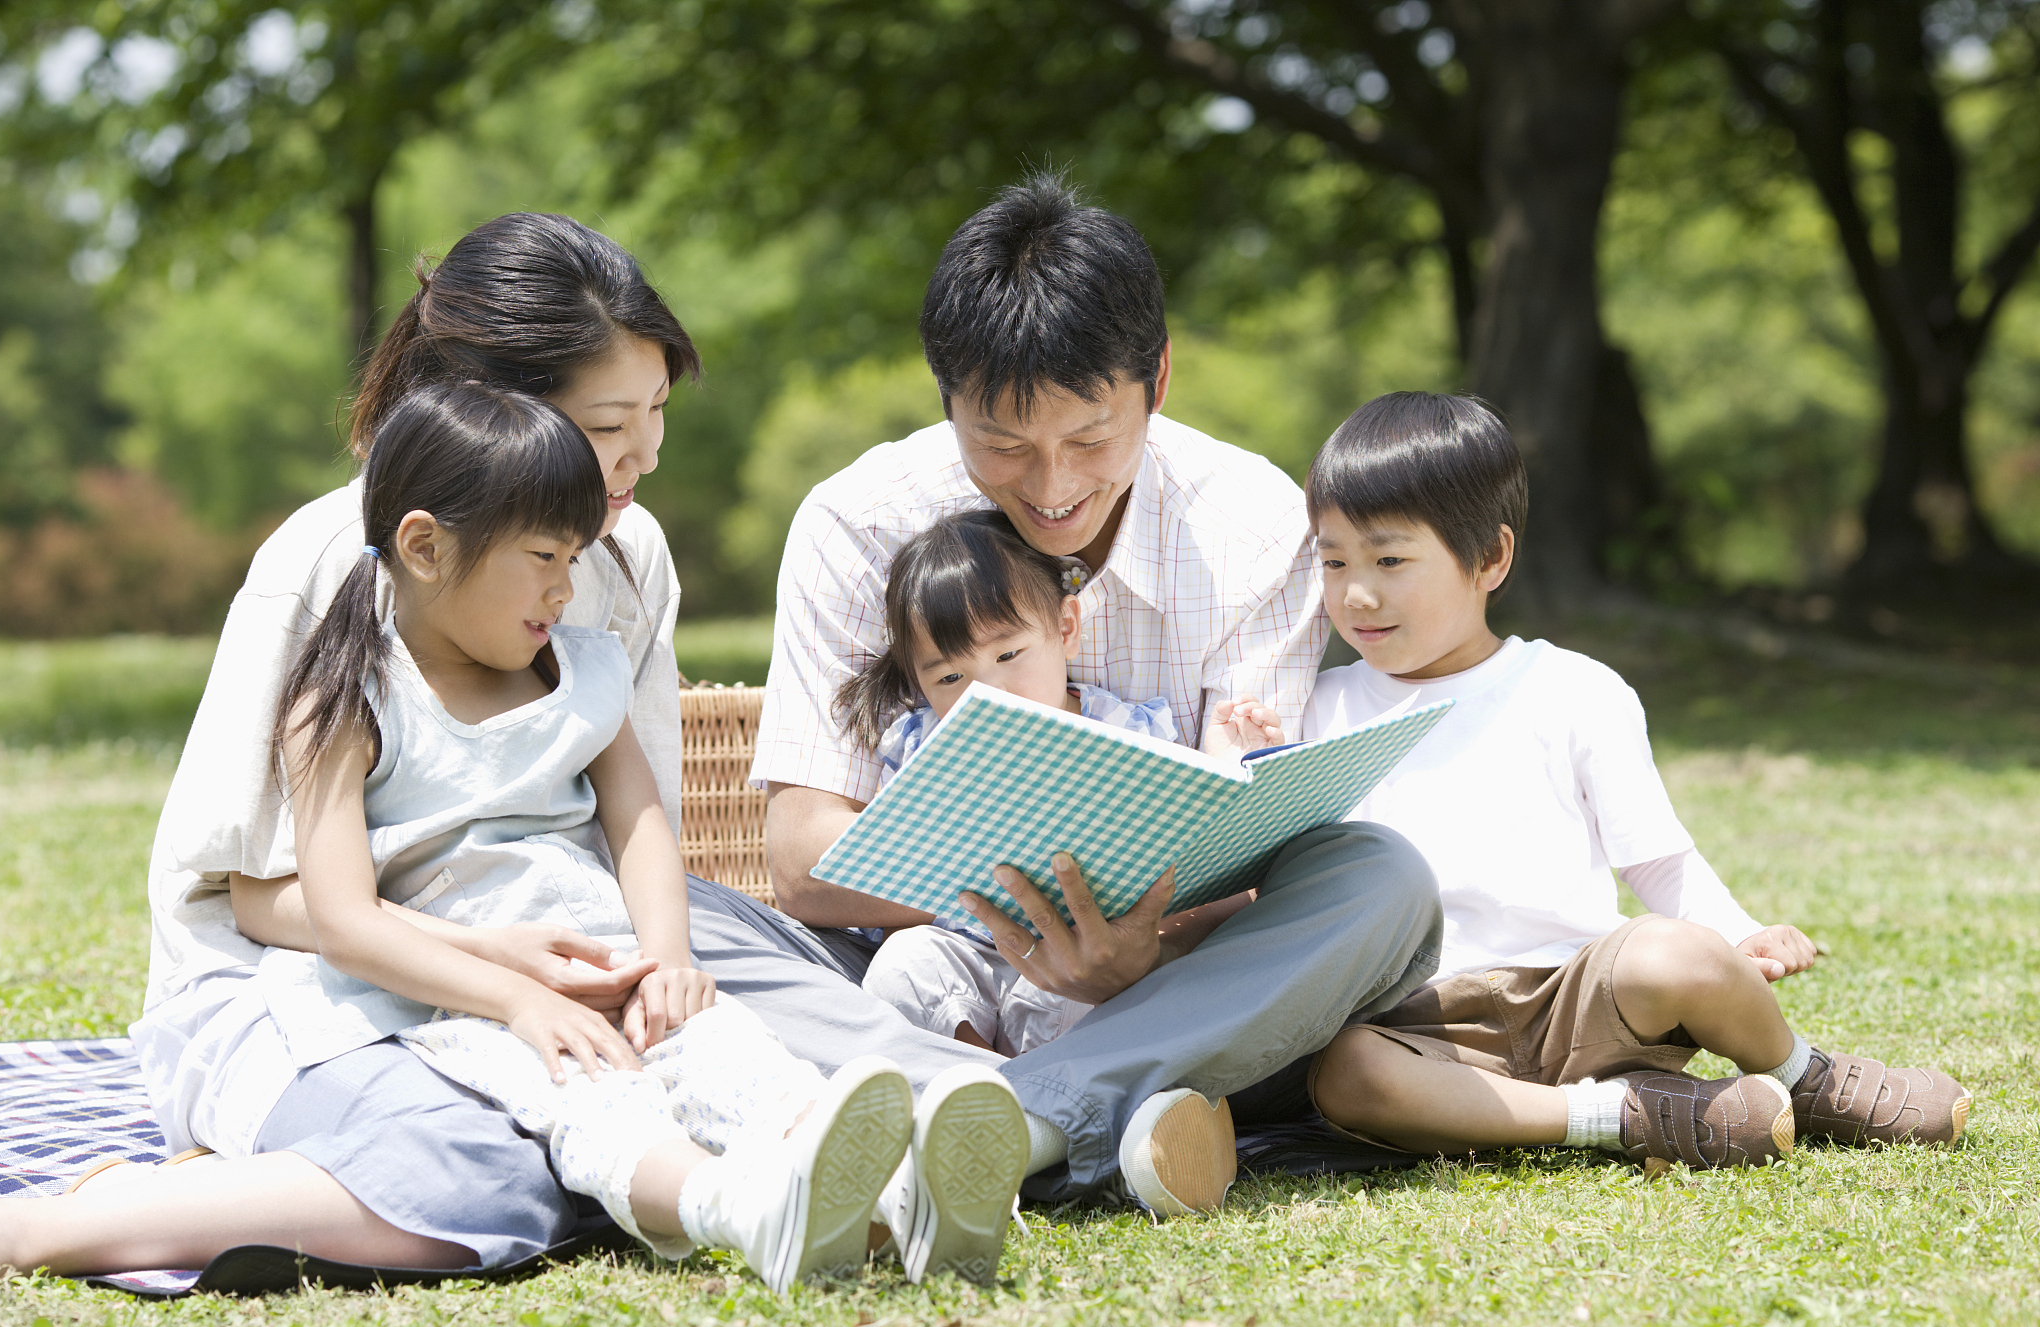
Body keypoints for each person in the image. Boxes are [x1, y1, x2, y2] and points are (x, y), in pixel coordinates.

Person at [0, 213, 1023, 1287]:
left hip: (566, 936)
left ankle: (922, 1136)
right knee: (500, 1175)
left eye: (659, 411)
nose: (645, 457)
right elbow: (270, 902)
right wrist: (508, 972)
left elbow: (635, 828)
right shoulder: (330, 569)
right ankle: (103, 1215)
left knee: (728, 996)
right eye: (609, 423)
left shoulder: (621, 554)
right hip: (305, 982)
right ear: (488, 416)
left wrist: (651, 960)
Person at [754, 172, 1445, 1217]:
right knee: (700, 930)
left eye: (1087, 438)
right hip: (922, 969)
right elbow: (805, 862)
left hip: (1173, 970)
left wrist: (1139, 950)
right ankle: (1076, 1116)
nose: (1048, 486)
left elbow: (1240, 843)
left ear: (1156, 379)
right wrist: (1034, 913)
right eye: (999, 442)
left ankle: (1009, 1124)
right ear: (943, 395)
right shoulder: (856, 524)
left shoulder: (1253, 523)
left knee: (1378, 878)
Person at [267, 378, 1008, 1293]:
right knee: (599, 1101)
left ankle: (906, 1202)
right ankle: (743, 1211)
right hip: (455, 997)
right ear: (424, 546)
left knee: (740, 1061)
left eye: (574, 557)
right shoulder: (344, 699)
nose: (565, 587)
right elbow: (344, 921)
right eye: (544, 555)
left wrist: (666, 959)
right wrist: (517, 1001)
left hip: (616, 960)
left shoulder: (581, 671)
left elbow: (643, 821)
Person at [1275, 391, 1971, 1167]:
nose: (1356, 593)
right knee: (1346, 1073)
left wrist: (1740, 934)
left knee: (1684, 952)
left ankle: (1802, 1078)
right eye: (1333, 561)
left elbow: (1657, 859)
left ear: (1490, 559)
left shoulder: (1572, 689)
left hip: (1583, 995)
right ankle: (1624, 1116)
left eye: (1389, 560)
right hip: (1419, 1027)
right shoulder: (1316, 705)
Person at [841, 509, 1286, 1059]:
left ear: (1066, 629)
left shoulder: (1123, 730)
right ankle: (982, 1087)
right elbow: (892, 872)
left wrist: (1226, 760)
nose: (990, 691)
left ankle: (1039, 1105)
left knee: (1096, 993)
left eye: (1008, 655)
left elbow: (1190, 844)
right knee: (901, 967)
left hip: (1082, 958)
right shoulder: (917, 747)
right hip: (968, 954)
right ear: (919, 682)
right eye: (950, 676)